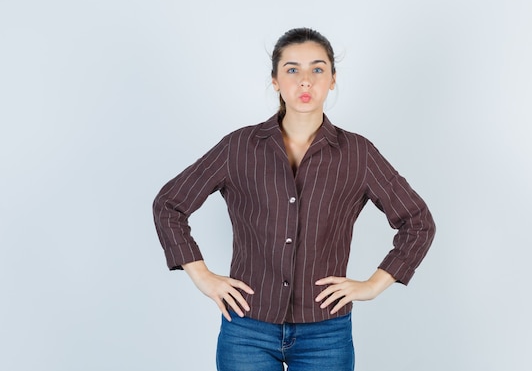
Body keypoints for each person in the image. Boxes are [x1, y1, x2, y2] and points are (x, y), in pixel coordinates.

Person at [153, 27, 436, 371]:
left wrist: (375, 284)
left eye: (317, 69)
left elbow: (417, 222)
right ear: (275, 80)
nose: (305, 81)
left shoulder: (358, 154)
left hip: (326, 332)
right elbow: (169, 204)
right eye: (292, 69)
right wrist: (202, 276)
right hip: (246, 326)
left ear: (333, 79)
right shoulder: (238, 147)